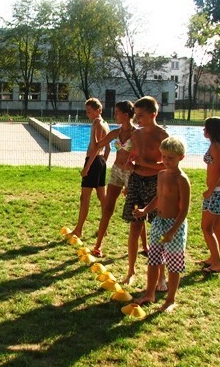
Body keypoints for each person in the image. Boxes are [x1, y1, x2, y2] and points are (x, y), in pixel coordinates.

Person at [134, 136, 191, 312]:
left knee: (174, 264)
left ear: (181, 157)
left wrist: (173, 231)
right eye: (164, 157)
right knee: (153, 260)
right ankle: (150, 293)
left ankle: (170, 299)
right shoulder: (161, 175)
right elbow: (159, 198)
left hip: (175, 225)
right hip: (159, 222)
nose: (166, 161)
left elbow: (184, 209)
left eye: (170, 158)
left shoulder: (182, 179)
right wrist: (144, 210)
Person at [121, 96, 168, 286]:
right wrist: (130, 164)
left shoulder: (163, 136)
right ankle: (131, 271)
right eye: (136, 115)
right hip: (135, 182)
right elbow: (132, 156)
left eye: (141, 115)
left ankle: (161, 277)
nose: (137, 118)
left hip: (155, 184)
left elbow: (167, 165)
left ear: (153, 114)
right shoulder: (136, 135)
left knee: (158, 230)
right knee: (134, 228)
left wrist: (144, 163)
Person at [82, 100, 137, 257]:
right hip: (116, 172)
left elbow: (141, 154)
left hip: (130, 174)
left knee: (136, 211)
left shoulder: (136, 134)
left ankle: (145, 246)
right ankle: (98, 246)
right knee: (107, 208)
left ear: (126, 115)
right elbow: (98, 145)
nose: (114, 115)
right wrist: (93, 131)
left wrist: (132, 166)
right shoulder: (116, 132)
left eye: (117, 113)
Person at [71, 98, 111, 239]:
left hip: (93, 162)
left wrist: (87, 168)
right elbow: (108, 148)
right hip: (100, 162)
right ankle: (104, 228)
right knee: (102, 197)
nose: (87, 114)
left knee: (85, 198)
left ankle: (78, 230)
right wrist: (103, 162)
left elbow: (95, 148)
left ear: (98, 110)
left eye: (89, 111)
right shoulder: (106, 124)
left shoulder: (96, 123)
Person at [199, 116, 220, 274]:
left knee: (206, 228)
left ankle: (217, 263)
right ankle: (214, 257)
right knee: (217, 227)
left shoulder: (215, 146)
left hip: (217, 192)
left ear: (211, 130)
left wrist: (211, 189)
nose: (203, 130)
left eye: (205, 127)